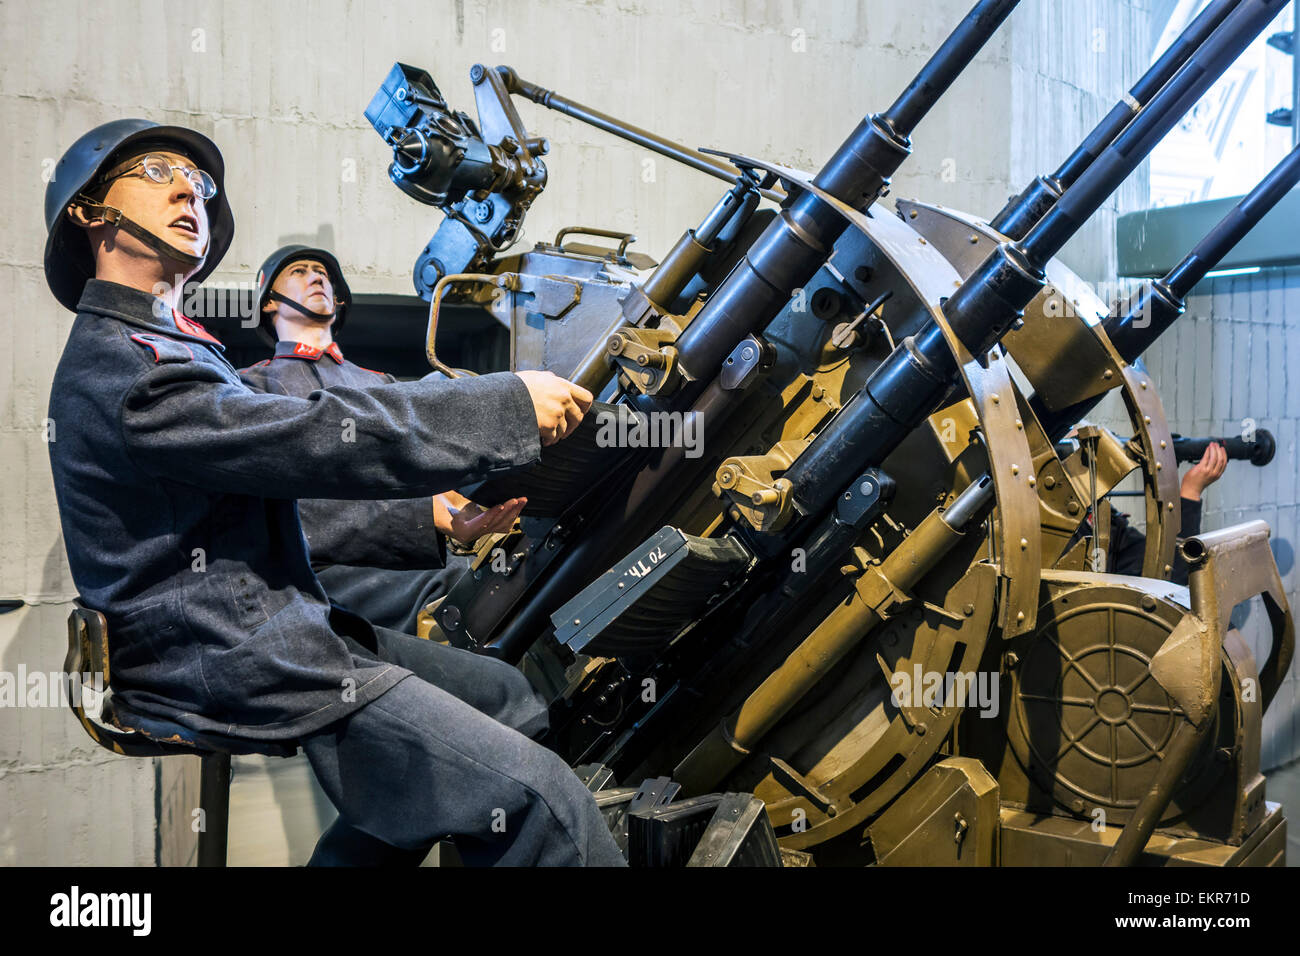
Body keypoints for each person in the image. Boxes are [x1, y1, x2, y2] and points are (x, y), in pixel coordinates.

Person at [43, 119, 625, 866]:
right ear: (90, 213)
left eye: (201, 183)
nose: (190, 189)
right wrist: (505, 405)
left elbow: (299, 465)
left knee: (513, 701)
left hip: (271, 625)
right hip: (228, 652)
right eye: (159, 171)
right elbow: (314, 437)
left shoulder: (173, 346)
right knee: (541, 802)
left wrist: (438, 517)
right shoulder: (125, 366)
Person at [239, 245, 508, 635]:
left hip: (413, 557)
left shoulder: (380, 384)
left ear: (340, 300)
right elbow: (279, 499)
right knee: (457, 590)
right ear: (267, 302)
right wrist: (419, 517)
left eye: (324, 273)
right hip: (316, 571)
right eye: (300, 271)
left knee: (505, 577)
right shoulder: (252, 387)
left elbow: (419, 463)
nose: (317, 277)